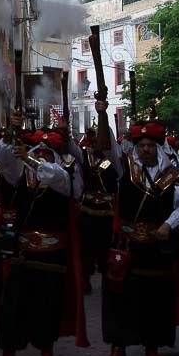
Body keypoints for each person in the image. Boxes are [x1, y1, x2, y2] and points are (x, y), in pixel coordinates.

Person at [94, 100, 179, 356]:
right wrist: (103, 114)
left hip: (156, 248)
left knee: (155, 298)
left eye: (150, 145)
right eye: (141, 145)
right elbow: (108, 146)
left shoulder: (173, 176)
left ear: (158, 147)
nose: (145, 149)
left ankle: (152, 346)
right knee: (119, 297)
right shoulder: (125, 168)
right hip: (127, 246)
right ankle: (118, 347)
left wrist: (168, 224)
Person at [0, 116, 88, 356]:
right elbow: (2, 158)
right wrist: (11, 130)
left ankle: (46, 352)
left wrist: (31, 160)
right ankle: (8, 353)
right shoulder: (21, 171)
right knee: (12, 304)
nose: (41, 155)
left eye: (46, 152)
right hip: (23, 250)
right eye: (38, 151)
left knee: (47, 305)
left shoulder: (66, 170)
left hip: (52, 251)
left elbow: (64, 184)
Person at [76, 125, 118, 295]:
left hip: (107, 210)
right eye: (92, 140)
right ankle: (86, 278)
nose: (94, 144)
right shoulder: (84, 157)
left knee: (106, 247)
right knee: (86, 247)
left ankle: (107, 278)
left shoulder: (112, 159)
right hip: (87, 209)